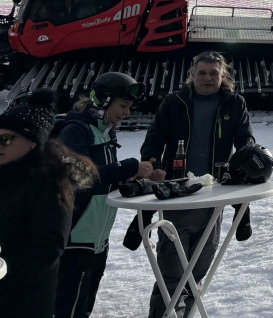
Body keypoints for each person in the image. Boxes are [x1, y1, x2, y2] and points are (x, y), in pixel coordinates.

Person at [140, 51, 254, 318]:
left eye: (213, 73)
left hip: (213, 195)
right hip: (177, 194)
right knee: (172, 268)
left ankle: (187, 314)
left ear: (222, 75)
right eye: (201, 73)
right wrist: (152, 164)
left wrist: (254, 163)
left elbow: (246, 143)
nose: (207, 78)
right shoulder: (174, 102)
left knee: (199, 267)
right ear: (192, 75)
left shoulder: (234, 104)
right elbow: (155, 138)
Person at [56, 72, 152, 318]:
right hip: (77, 234)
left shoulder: (106, 130)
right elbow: (79, 176)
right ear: (102, 101)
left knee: (86, 303)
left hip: (99, 235)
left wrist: (129, 178)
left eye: (129, 107)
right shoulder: (76, 130)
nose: (127, 112)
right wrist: (128, 167)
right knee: (69, 306)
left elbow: (103, 177)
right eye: (122, 106)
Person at [0, 90, 97, 318]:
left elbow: (48, 245)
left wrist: (6, 273)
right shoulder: (5, 172)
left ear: (33, 141)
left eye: (6, 139)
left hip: (25, 298)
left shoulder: (52, 181)